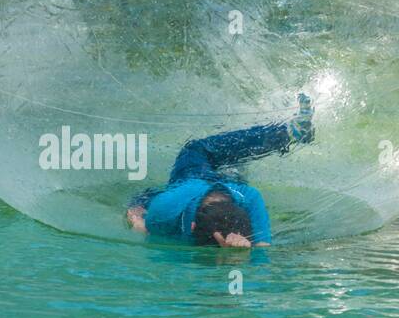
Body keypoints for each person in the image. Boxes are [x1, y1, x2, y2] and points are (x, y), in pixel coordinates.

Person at [126, 94, 313, 247]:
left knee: (144, 197)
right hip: (214, 184)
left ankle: (284, 134)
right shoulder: (250, 198)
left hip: (191, 180)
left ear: (191, 226)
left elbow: (141, 219)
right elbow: (262, 251)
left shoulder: (163, 211)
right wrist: (245, 253)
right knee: (230, 166)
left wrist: (140, 224)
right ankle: (284, 134)